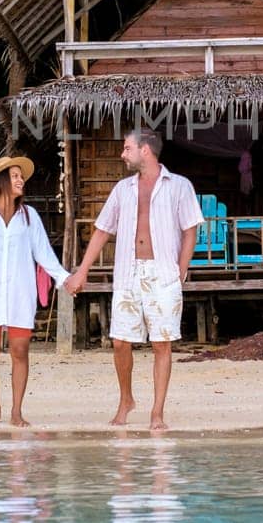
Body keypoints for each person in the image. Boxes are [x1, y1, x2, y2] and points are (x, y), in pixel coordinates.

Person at [66, 130, 203, 431]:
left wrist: (180, 269)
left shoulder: (179, 186)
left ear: (145, 150)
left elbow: (190, 229)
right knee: (119, 342)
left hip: (163, 273)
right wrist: (82, 270)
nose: (122, 154)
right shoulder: (123, 189)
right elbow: (102, 230)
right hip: (128, 272)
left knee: (161, 344)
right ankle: (126, 399)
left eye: (127, 148)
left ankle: (157, 411)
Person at [0, 155, 70, 426]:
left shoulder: (29, 217)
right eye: (15, 176)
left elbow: (43, 253)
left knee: (20, 350)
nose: (21, 180)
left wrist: (66, 279)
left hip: (20, 291)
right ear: (1, 181)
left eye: (21, 176)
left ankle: (17, 411)